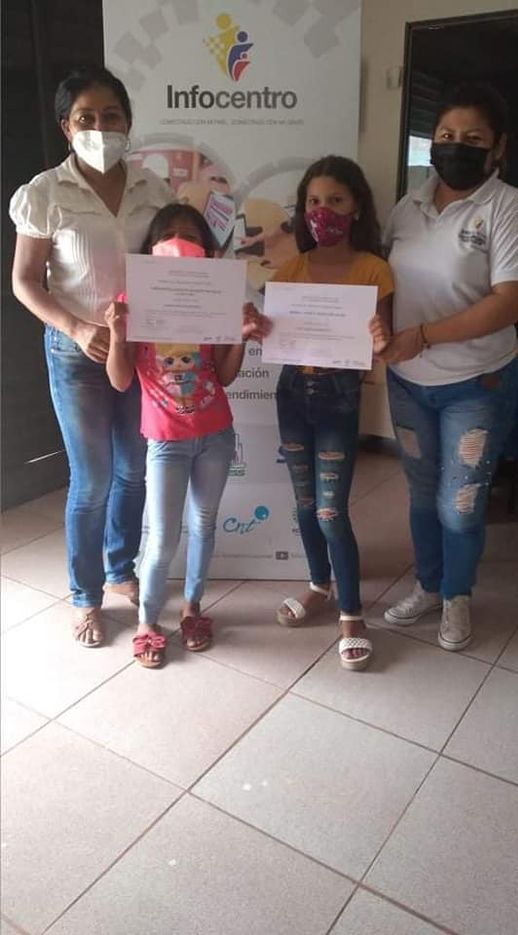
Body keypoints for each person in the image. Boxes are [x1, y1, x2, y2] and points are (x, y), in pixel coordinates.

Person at [9, 66, 175, 648]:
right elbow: (25, 282)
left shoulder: (155, 191)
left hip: (141, 352)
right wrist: (78, 328)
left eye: (111, 117)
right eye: (86, 118)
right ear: (66, 126)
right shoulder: (44, 193)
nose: (100, 128)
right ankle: (85, 595)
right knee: (93, 479)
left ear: (128, 122)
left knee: (133, 470)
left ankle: (120, 567)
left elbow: (173, 267)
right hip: (76, 352)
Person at [375, 82, 518, 651]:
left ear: (498, 147)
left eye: (472, 138)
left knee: (459, 505)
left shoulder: (508, 207)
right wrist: (379, 328)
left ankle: (457, 595)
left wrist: (422, 337)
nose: (456, 146)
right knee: (420, 494)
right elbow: (382, 279)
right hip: (408, 384)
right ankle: (429, 586)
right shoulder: (408, 205)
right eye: (445, 135)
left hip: (476, 384)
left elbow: (513, 301)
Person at [105, 203, 271, 668]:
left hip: (216, 434)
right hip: (165, 442)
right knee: (161, 540)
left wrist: (240, 336)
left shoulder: (215, 301)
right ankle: (147, 622)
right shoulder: (132, 301)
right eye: (168, 234)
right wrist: (117, 332)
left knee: (203, 525)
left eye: (190, 235)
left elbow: (225, 376)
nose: (179, 241)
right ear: (150, 248)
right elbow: (120, 380)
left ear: (207, 250)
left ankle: (193, 608)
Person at [272, 155, 394, 671]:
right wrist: (258, 325)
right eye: (314, 201)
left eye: (336, 201)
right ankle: (319, 585)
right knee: (304, 505)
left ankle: (352, 613)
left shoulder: (373, 269)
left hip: (338, 397)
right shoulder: (291, 268)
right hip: (292, 393)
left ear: (356, 207)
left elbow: (382, 345)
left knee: (330, 511)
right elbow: (279, 332)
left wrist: (381, 340)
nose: (324, 211)